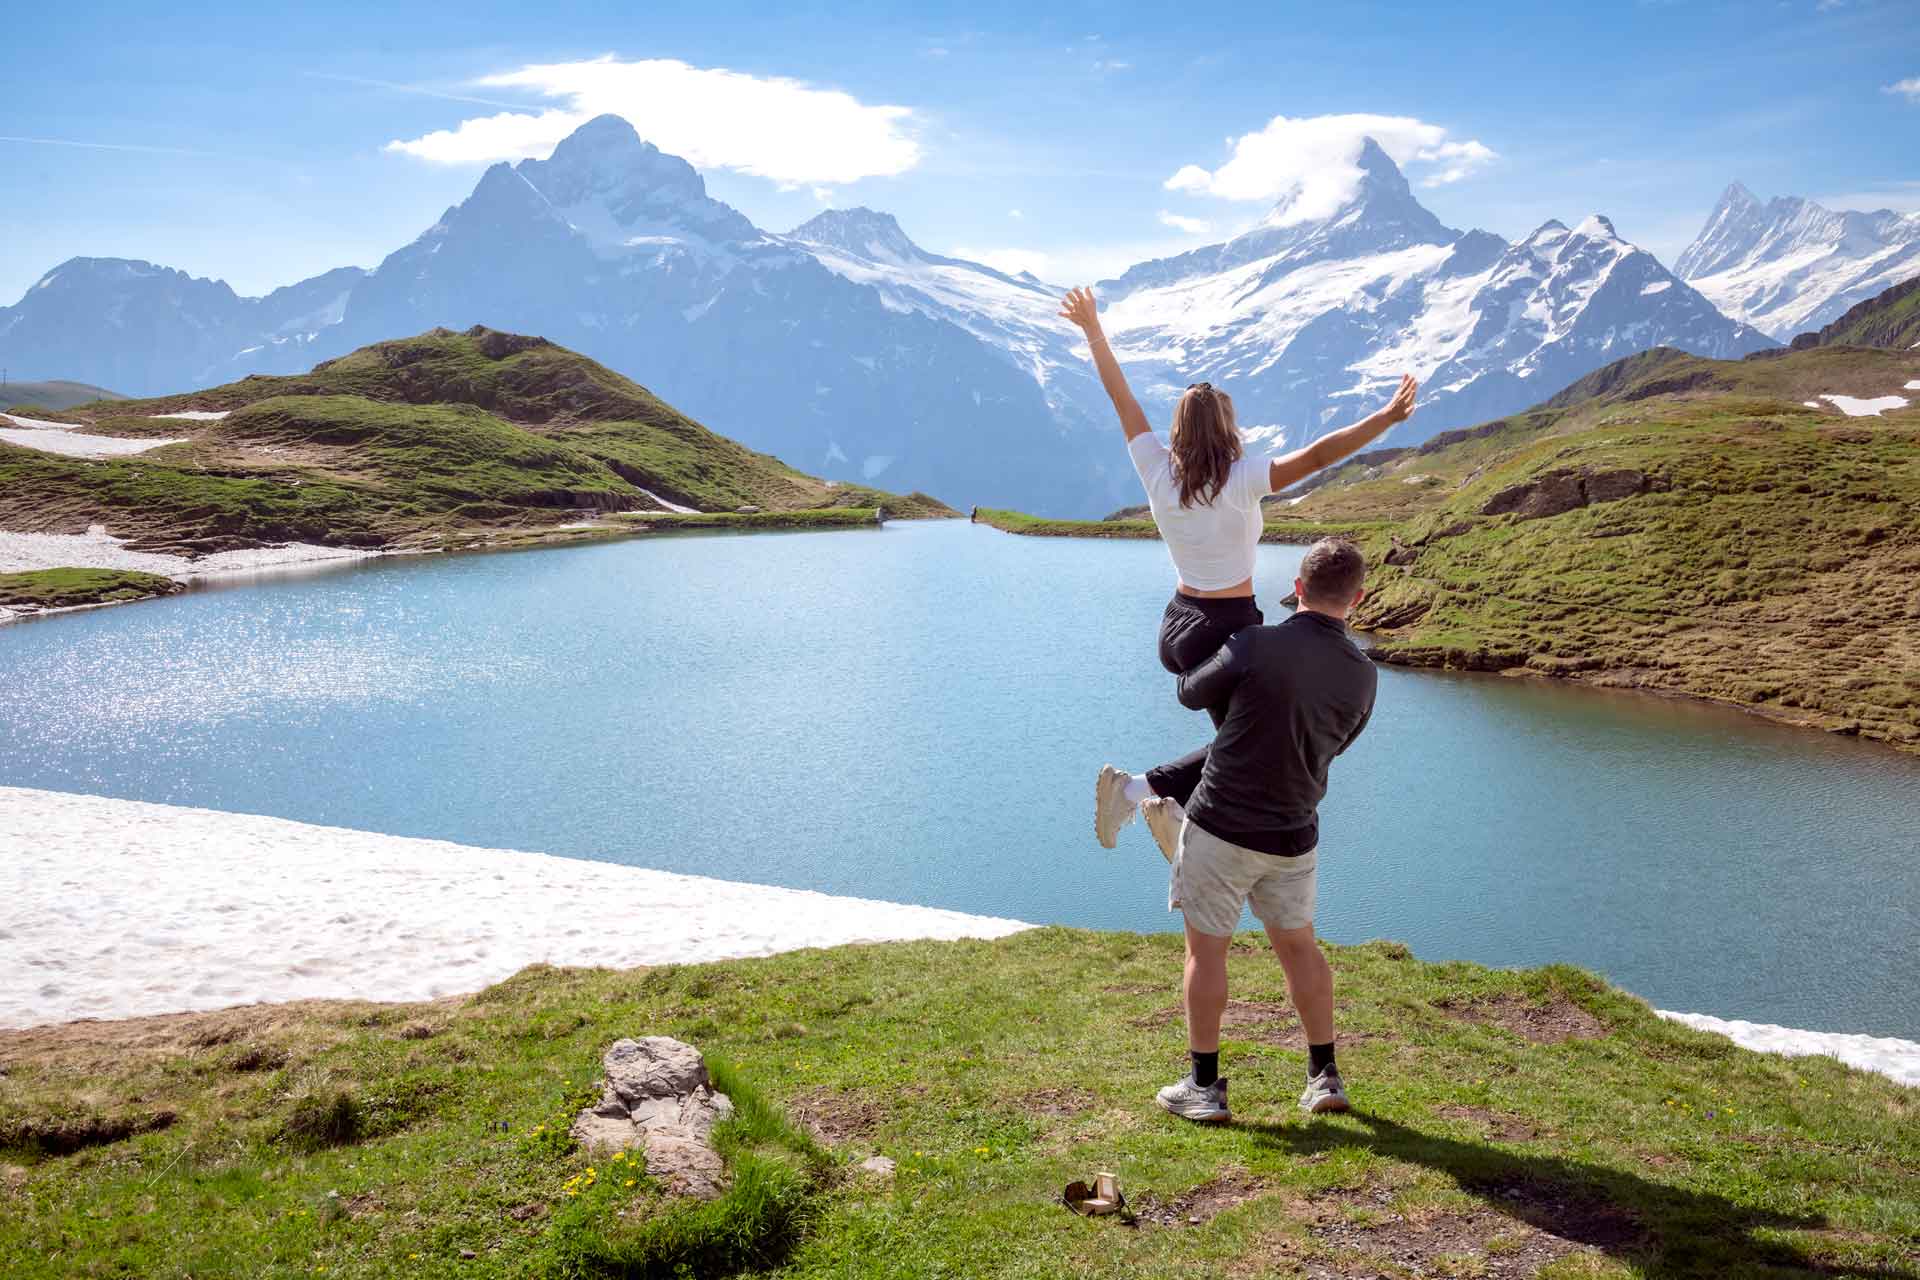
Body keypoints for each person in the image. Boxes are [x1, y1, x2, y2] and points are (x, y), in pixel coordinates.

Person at [1053, 287, 1413, 850]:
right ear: (1227, 428)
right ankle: (1148, 801)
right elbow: (1321, 455)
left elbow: (1119, 396)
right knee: (1250, 748)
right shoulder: (1243, 478)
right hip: (1227, 628)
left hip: (1176, 625)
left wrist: (1093, 328)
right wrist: (1386, 419)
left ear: (1178, 429)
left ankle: (1159, 803)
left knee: (1244, 744)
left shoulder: (1154, 468)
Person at [1125, 537, 1378, 1123]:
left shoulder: (1255, 642)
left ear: (1296, 588)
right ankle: (1324, 1077)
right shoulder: (1364, 674)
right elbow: (1337, 745)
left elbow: (1191, 692)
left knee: (1206, 952)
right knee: (1300, 949)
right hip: (1295, 834)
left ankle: (1205, 1088)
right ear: (1358, 598)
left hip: (1221, 828)